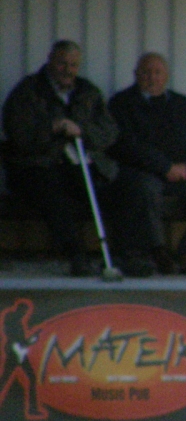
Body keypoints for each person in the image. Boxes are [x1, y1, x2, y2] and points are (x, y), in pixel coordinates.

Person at [1, 40, 138, 276]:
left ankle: (126, 255)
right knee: (54, 194)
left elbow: (109, 132)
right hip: (37, 165)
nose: (68, 70)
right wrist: (53, 127)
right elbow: (19, 134)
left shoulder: (88, 92)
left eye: (73, 65)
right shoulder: (28, 91)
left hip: (80, 163)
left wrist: (82, 130)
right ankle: (76, 255)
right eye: (62, 63)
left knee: (120, 190)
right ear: (50, 61)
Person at [108, 53, 186, 276]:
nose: (152, 78)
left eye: (157, 72)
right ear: (136, 75)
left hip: (182, 172)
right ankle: (157, 252)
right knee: (145, 190)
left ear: (166, 76)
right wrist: (164, 167)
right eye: (146, 72)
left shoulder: (181, 104)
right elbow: (127, 145)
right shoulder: (121, 103)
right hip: (143, 171)